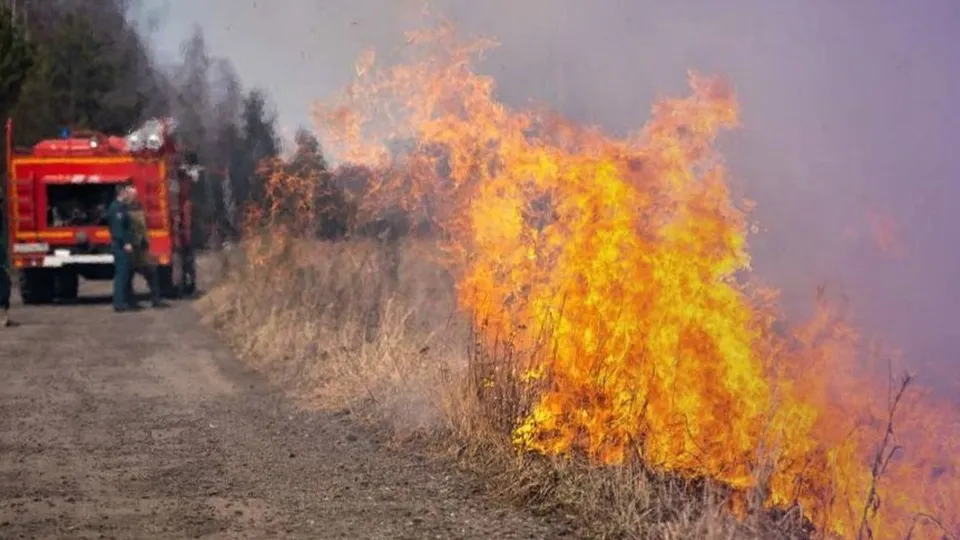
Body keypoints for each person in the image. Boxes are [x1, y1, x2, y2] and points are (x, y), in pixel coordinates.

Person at [124, 188, 167, 308]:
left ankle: (156, 299)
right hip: (132, 246)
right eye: (132, 195)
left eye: (135, 195)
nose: (135, 197)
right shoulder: (123, 209)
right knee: (128, 275)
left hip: (142, 245)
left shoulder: (138, 207)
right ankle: (130, 301)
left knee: (151, 272)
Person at [107, 185, 138, 312]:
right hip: (120, 247)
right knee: (121, 274)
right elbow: (118, 229)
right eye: (126, 191)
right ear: (121, 193)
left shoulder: (122, 207)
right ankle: (119, 303)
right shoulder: (116, 209)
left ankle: (128, 300)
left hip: (122, 246)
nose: (128, 194)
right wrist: (126, 243)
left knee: (127, 274)